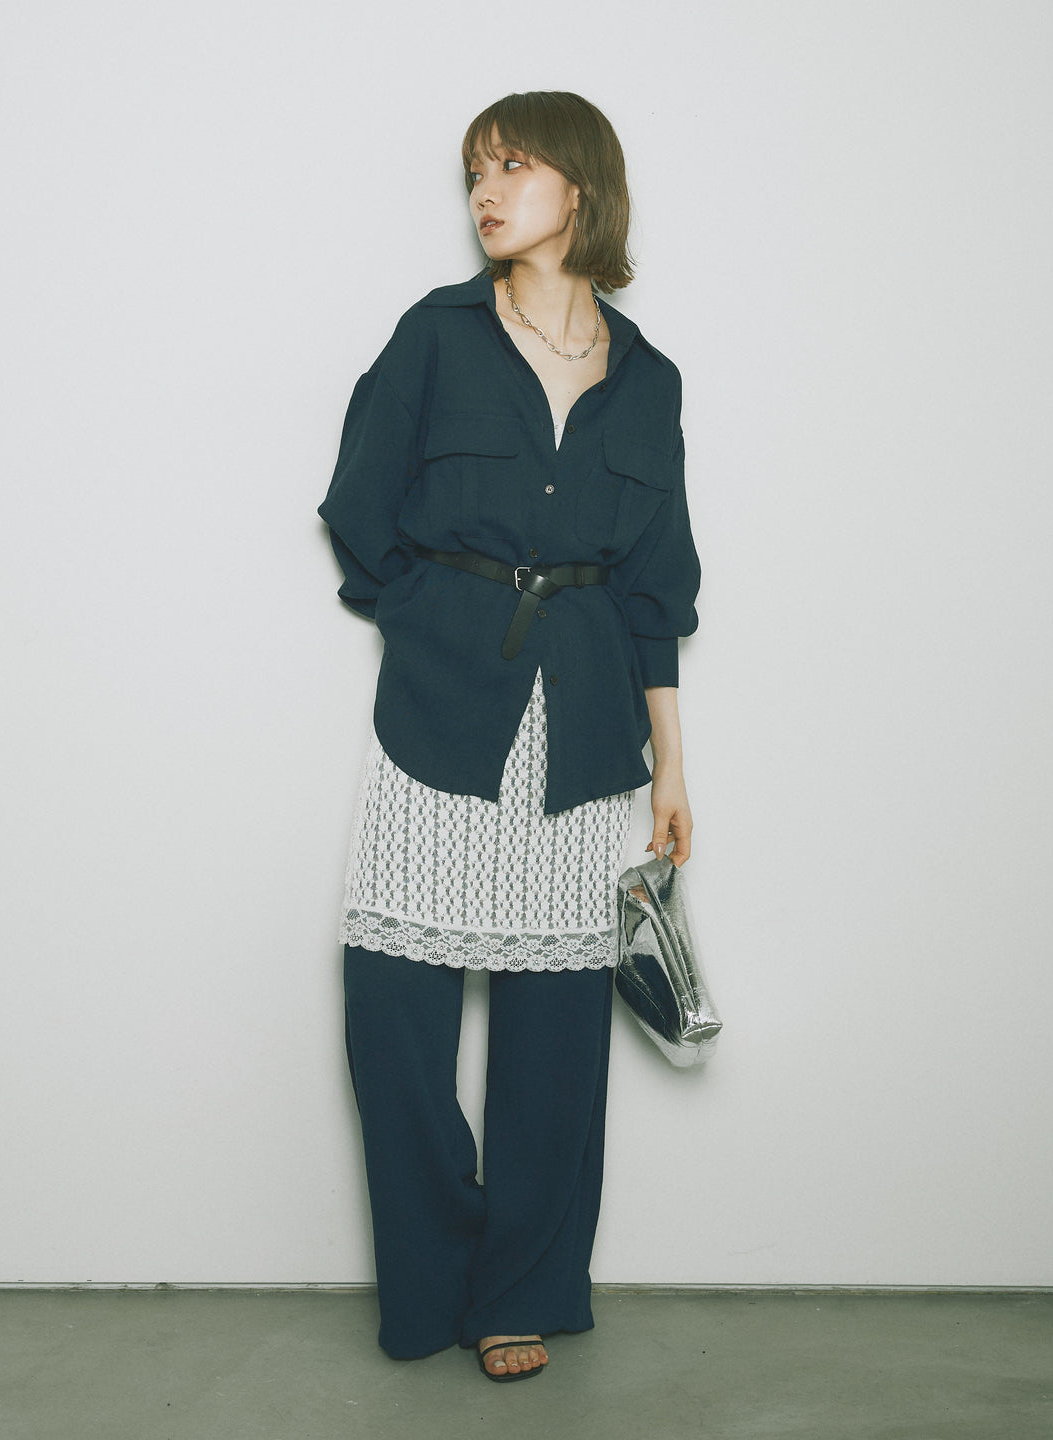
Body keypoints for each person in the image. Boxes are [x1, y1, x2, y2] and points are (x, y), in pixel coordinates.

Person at [317, 90, 700, 1383]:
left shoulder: (650, 378)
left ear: (578, 186)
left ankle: (522, 1291)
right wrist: (432, 614)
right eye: (474, 171)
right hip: (442, 710)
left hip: (588, 718)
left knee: (555, 1035)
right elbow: (359, 507)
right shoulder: (435, 336)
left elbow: (657, 586)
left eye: (513, 165)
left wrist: (672, 766)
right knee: (396, 1015)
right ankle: (430, 1281)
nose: (485, 191)